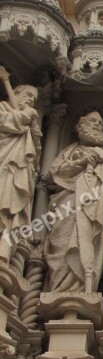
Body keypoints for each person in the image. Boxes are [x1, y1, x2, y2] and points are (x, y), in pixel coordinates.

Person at [44, 112, 103, 292]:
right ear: (80, 128)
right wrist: (80, 162)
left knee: (88, 241)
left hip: (95, 208)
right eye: (92, 122)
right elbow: (53, 176)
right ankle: (61, 288)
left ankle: (85, 287)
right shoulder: (69, 151)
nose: (97, 125)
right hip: (68, 205)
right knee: (63, 243)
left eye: (100, 123)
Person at [0, 82, 41, 262]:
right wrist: (24, 116)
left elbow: (36, 153)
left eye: (33, 98)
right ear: (16, 93)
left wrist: (33, 130)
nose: (30, 100)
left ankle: (5, 251)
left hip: (20, 170)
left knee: (13, 208)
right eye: (28, 94)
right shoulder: (3, 107)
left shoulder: (30, 121)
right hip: (5, 162)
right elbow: (5, 123)